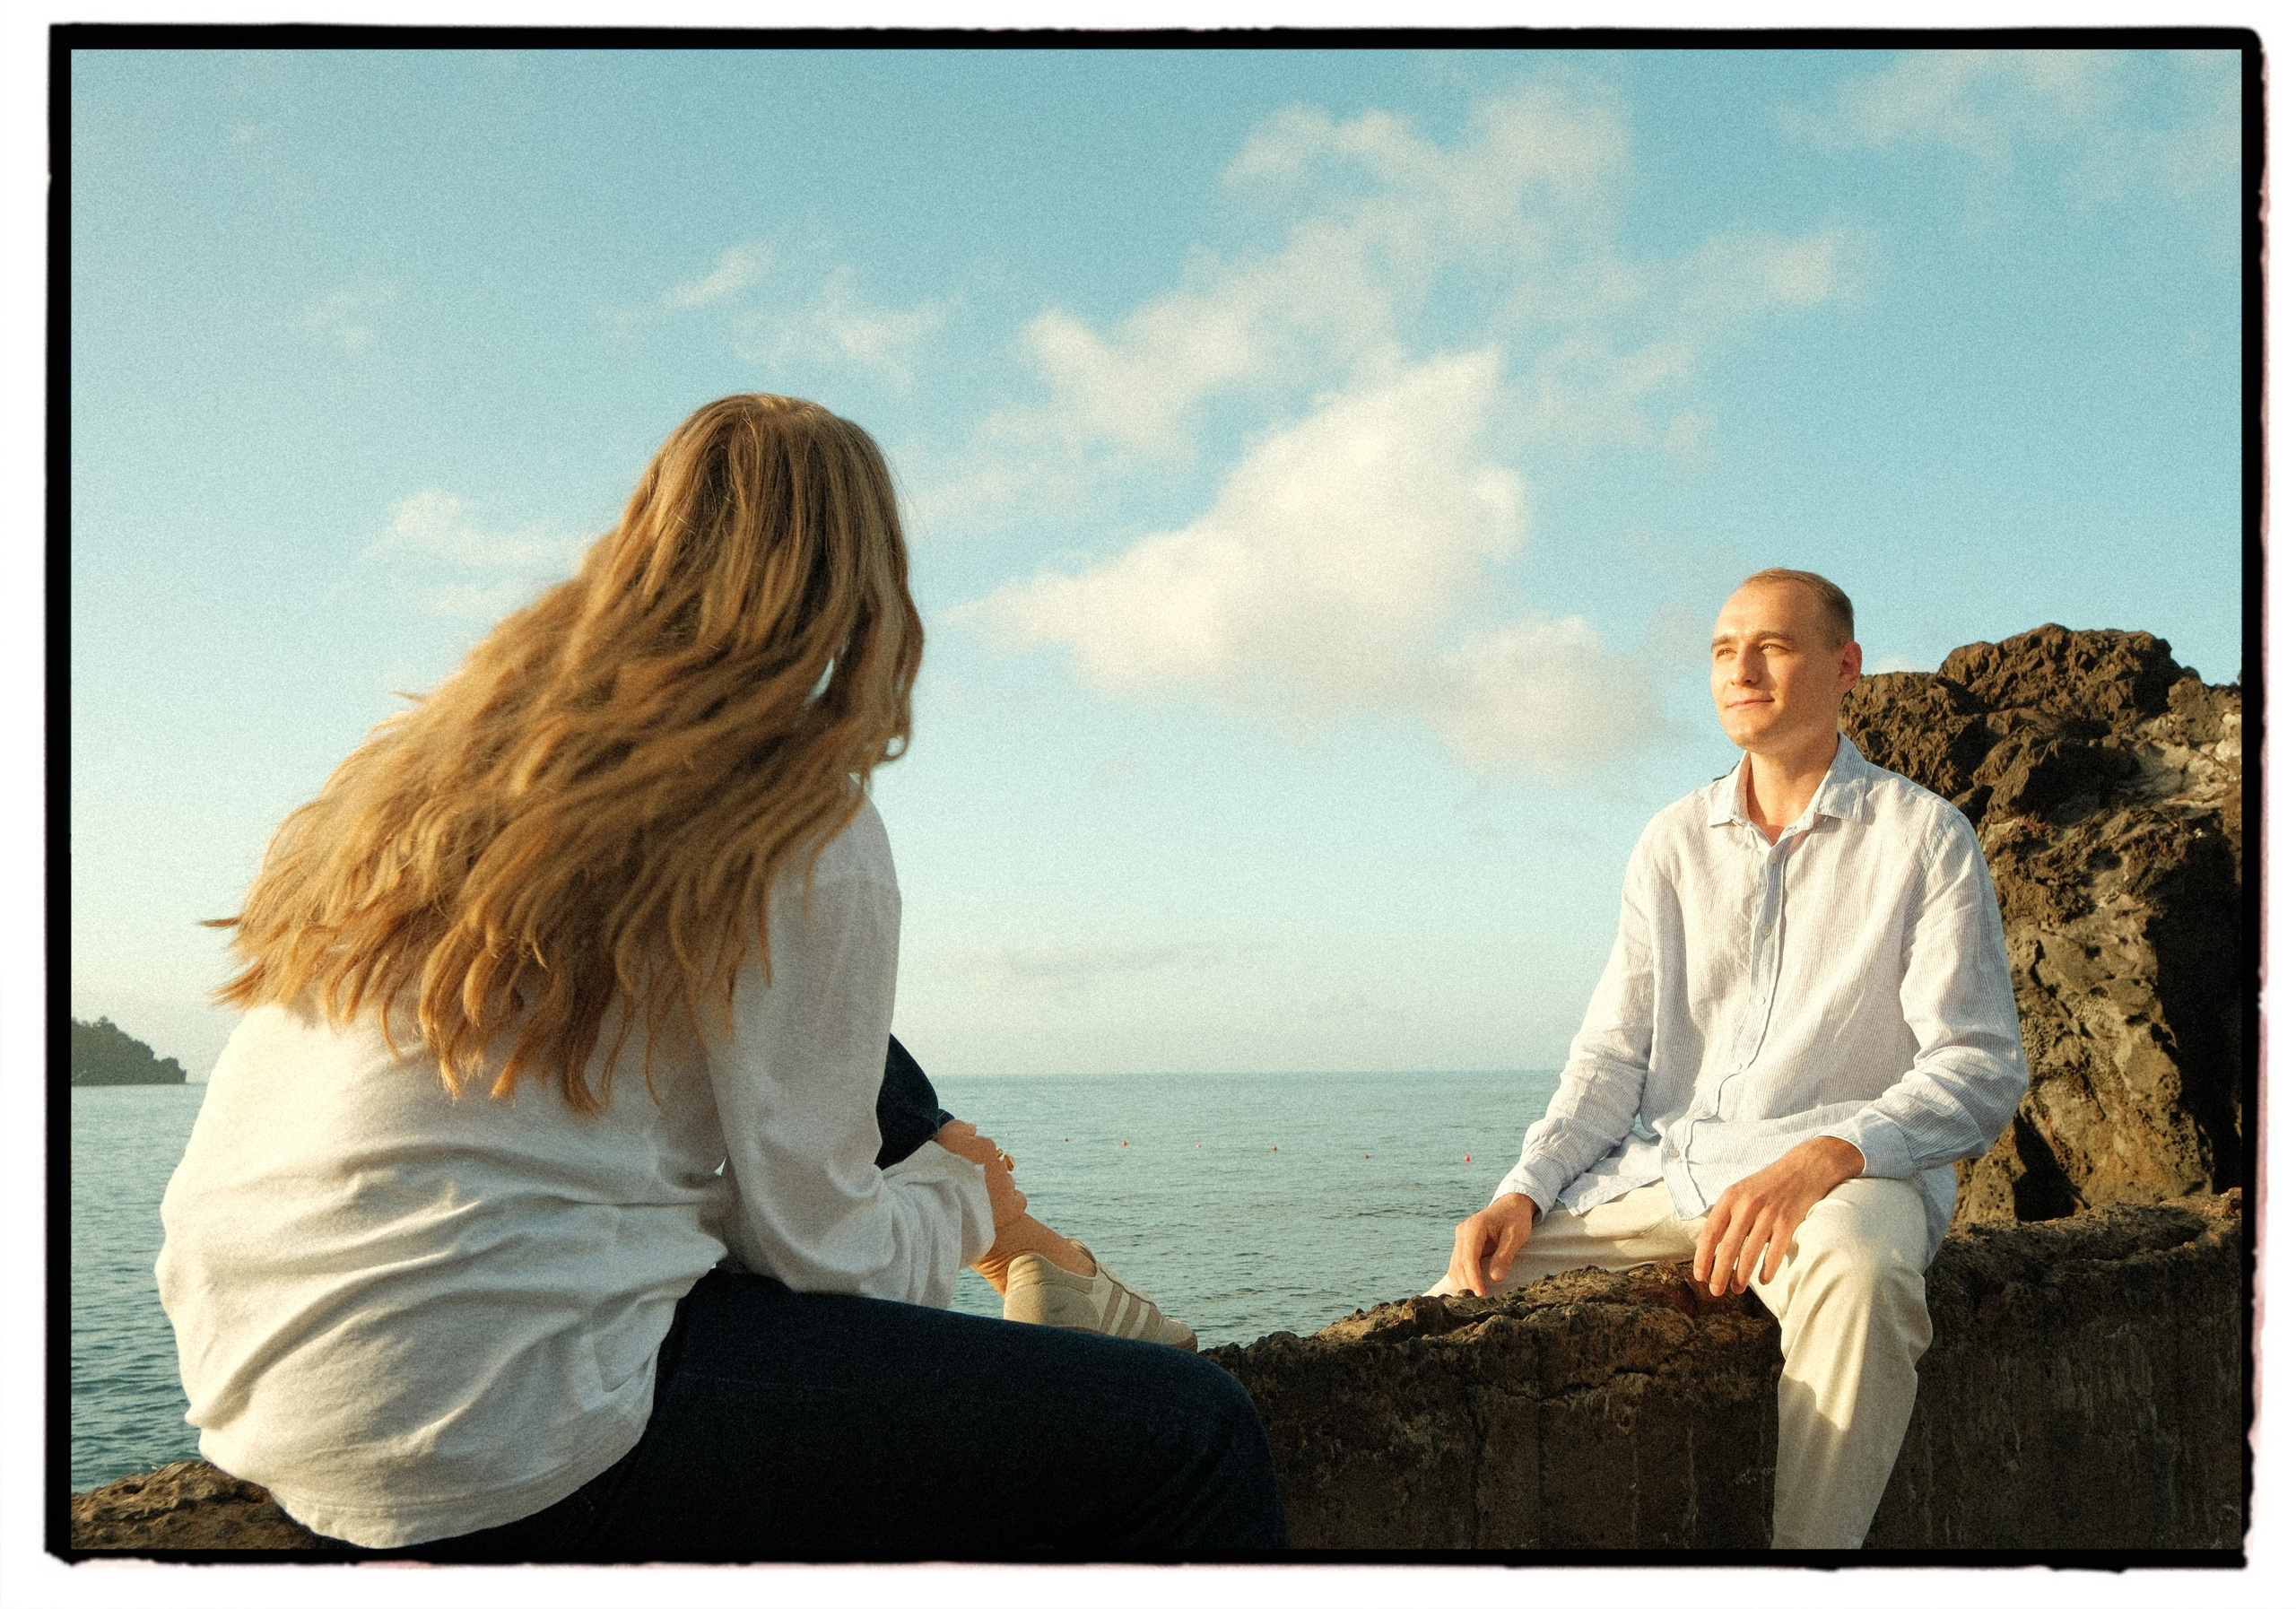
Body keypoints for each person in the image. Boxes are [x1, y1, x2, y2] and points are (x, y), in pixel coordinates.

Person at [157, 394, 1287, 1561]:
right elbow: (826, 1257)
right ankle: (1034, 1249)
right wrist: (962, 1195)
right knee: (1199, 1433)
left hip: (253, 1374)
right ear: (857, 581)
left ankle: (1035, 1253)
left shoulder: (440, 769)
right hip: (490, 1414)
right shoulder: (797, 818)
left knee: (829, 1061)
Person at [1433, 568, 2027, 1550]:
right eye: (1721, 650)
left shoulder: (1924, 837)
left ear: (1845, 669)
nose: (1740, 669)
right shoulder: (1669, 842)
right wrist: (1521, 1192)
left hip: (1843, 1177)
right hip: (1677, 1173)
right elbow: (1612, 1057)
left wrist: (1828, 1153)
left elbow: (1976, 1064)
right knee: (1463, 1296)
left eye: (1773, 646)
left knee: (1865, 1281)